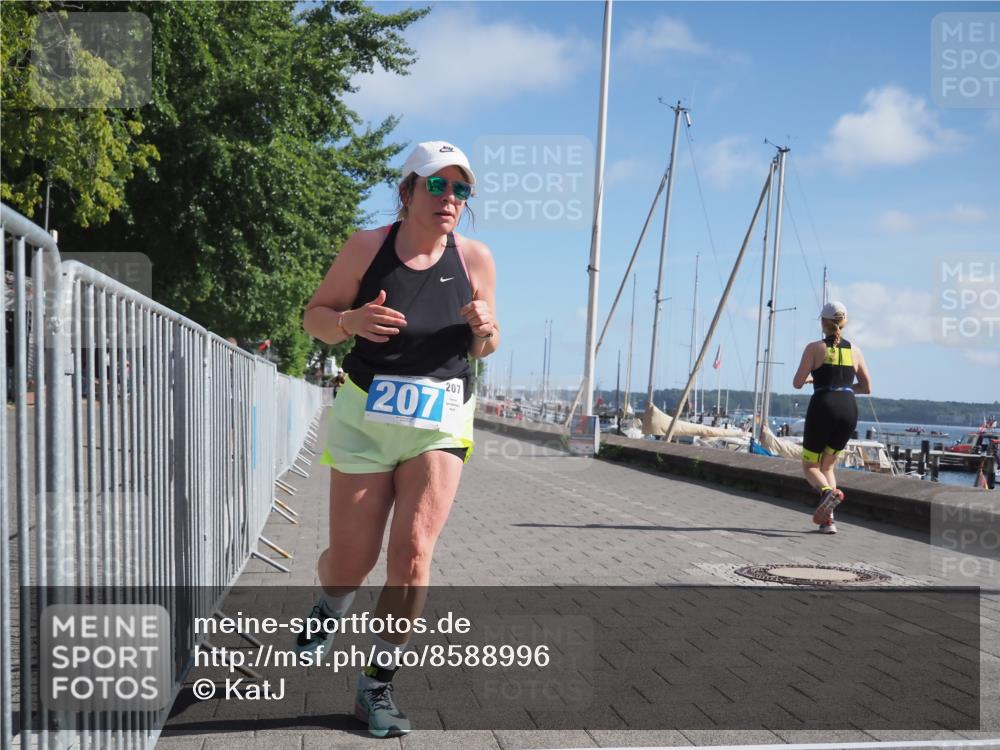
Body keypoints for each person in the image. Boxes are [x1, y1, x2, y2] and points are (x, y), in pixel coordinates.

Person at [300, 140, 498, 737]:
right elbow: (315, 315)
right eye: (437, 185)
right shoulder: (367, 247)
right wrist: (348, 323)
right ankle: (331, 603)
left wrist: (488, 332)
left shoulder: (476, 259)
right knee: (351, 562)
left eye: (461, 190)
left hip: (440, 418)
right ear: (407, 190)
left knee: (412, 556)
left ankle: (376, 685)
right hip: (365, 417)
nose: (450, 199)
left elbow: (483, 344)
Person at [792, 301, 871, 534]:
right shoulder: (855, 350)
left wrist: (819, 383)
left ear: (823, 323)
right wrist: (843, 388)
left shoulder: (814, 348)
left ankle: (827, 494)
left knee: (810, 466)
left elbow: (797, 383)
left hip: (823, 407)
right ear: (844, 323)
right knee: (828, 466)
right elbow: (866, 387)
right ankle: (829, 521)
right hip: (848, 409)